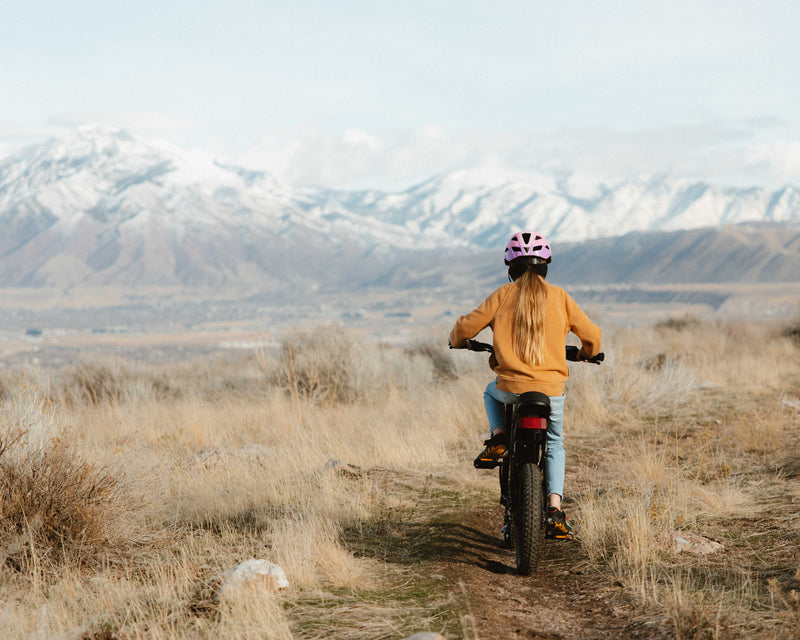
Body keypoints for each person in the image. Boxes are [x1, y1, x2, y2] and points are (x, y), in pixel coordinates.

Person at [448, 230, 601, 537]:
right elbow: (592, 337)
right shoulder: (559, 296)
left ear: (510, 267)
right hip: (551, 391)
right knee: (555, 443)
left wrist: (460, 342)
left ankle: (500, 435)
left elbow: (465, 327)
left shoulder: (502, 295)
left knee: (490, 393)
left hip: (510, 389)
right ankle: (555, 508)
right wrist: (586, 354)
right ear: (545, 265)